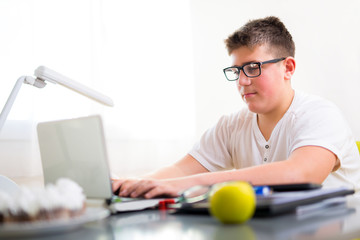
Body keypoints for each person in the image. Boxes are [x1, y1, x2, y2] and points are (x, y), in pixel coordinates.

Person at [112, 16, 360, 199]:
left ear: (288, 68)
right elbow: (180, 170)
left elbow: (302, 174)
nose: (242, 81)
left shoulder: (320, 115)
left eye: (253, 68)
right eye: (236, 71)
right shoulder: (232, 125)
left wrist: (188, 185)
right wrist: (128, 185)